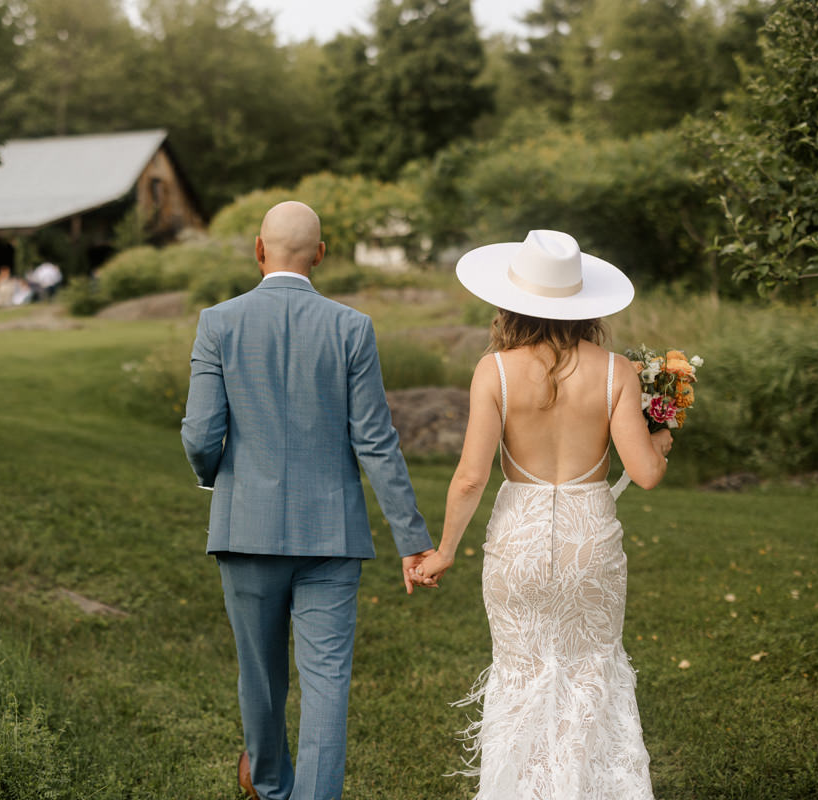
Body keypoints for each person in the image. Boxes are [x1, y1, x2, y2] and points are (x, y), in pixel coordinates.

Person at [181, 201, 437, 800]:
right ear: (320, 254)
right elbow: (375, 441)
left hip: (246, 529)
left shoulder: (219, 322)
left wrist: (215, 476)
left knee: (262, 676)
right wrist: (412, 537)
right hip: (332, 535)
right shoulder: (352, 327)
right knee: (327, 684)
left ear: (258, 247)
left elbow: (199, 431)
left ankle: (269, 784)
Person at [412, 230, 672, 799]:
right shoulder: (616, 373)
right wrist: (665, 431)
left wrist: (446, 550)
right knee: (590, 672)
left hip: (520, 539)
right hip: (590, 538)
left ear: (512, 303)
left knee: (523, 675)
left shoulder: (495, 371)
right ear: (584, 306)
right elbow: (647, 473)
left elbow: (471, 477)